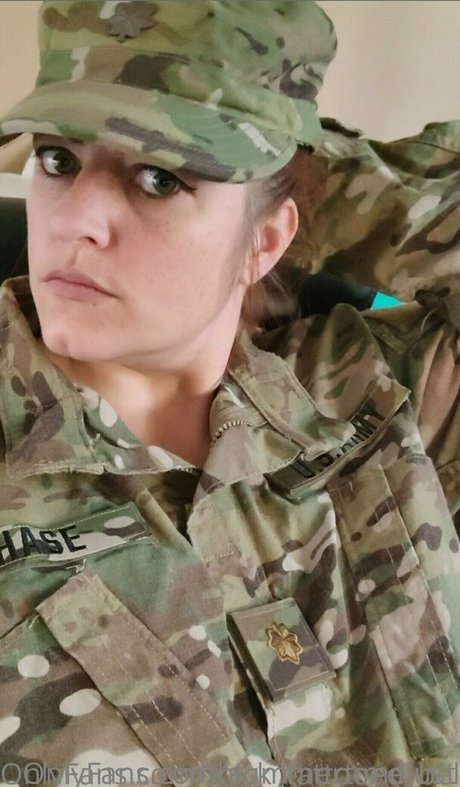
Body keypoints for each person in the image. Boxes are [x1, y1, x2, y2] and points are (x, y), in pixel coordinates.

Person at [0, 1, 458, 783]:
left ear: (270, 238)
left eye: (158, 176)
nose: (76, 218)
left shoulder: (377, 395)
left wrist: (293, 157)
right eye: (56, 159)